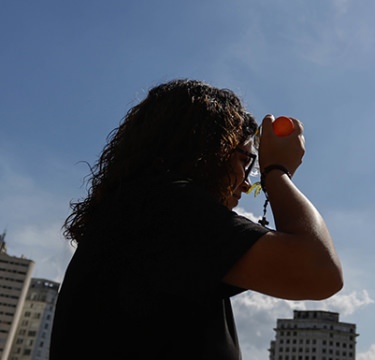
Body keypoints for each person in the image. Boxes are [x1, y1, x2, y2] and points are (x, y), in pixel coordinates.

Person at [50, 79, 343, 359]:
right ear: (208, 151)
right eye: (244, 159)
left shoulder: (135, 214)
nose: (246, 183)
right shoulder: (163, 207)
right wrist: (276, 171)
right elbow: (320, 271)